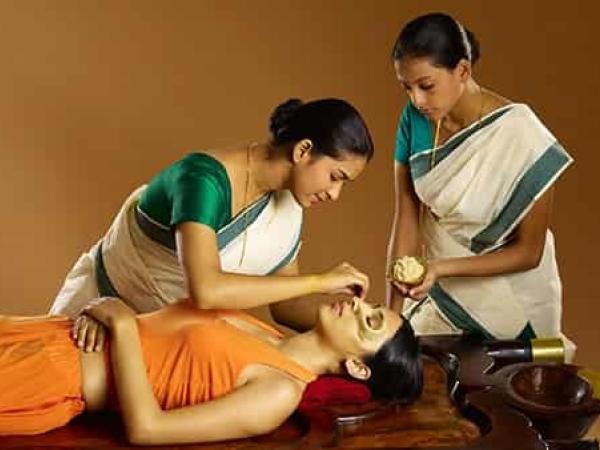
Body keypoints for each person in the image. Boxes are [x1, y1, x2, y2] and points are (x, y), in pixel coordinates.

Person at [50, 97, 375, 351]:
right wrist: (320, 281)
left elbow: (287, 306)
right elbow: (206, 290)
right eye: (336, 177)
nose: (335, 194)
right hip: (95, 318)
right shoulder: (203, 180)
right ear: (303, 150)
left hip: (169, 341)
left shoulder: (288, 205)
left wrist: (364, 336)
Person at [386, 13, 574, 352]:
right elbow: (407, 218)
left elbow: (529, 252)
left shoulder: (521, 133)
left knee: (509, 382)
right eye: (407, 87)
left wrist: (440, 269)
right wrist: (391, 320)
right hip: (442, 293)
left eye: (426, 86)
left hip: (512, 302)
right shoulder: (414, 119)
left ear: (463, 70)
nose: (417, 100)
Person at [0, 297, 423, 443]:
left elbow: (148, 428)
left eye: (369, 321)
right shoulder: (262, 329)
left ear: (357, 367)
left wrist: (122, 323)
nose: (357, 305)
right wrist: (101, 310)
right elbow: (157, 331)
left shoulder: (278, 392)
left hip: (49, 378)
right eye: (370, 306)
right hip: (44, 332)